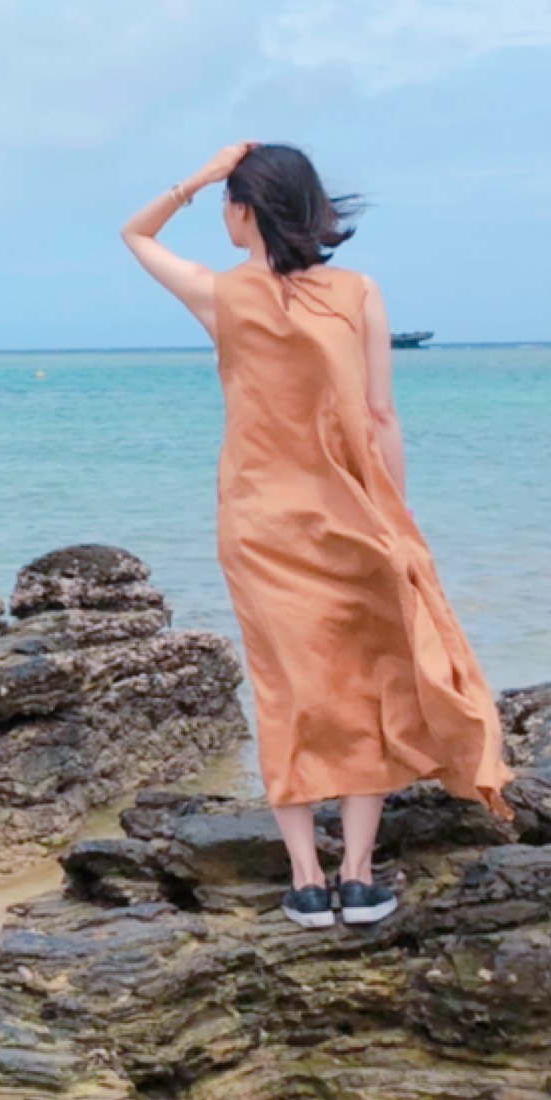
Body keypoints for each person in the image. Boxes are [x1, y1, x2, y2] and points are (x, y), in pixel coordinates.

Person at [121, 141, 510, 930]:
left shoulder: (220, 295)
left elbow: (136, 234)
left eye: (229, 199)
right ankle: (358, 874)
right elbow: (379, 416)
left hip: (257, 520)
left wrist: (192, 178)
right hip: (351, 514)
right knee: (367, 676)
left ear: (244, 209)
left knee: (285, 687)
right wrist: (395, 517)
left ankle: (305, 879)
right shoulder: (357, 292)